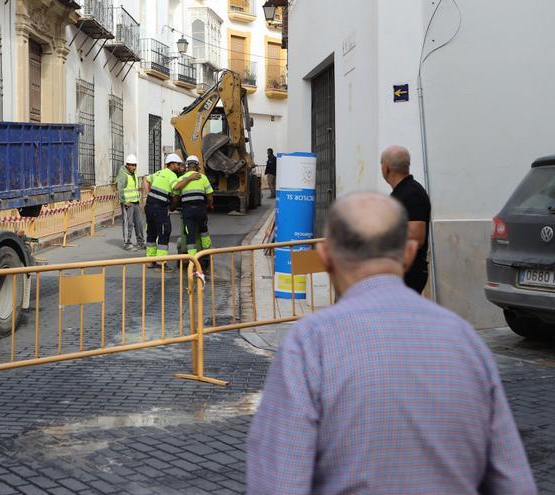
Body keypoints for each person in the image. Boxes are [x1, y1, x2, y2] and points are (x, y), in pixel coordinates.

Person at [246, 192, 536, 495]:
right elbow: (514, 482)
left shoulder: (308, 345)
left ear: (326, 255)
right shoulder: (466, 341)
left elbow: (279, 482)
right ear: (409, 253)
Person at [380, 145, 431, 294]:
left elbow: (416, 236)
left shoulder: (412, 193)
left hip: (408, 274)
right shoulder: (400, 193)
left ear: (386, 168)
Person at [143, 154, 183, 269]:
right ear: (172, 164)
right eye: (177, 164)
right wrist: (172, 207)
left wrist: (148, 193)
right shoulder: (172, 176)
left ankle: (150, 261)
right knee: (164, 232)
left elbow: (145, 179)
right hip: (160, 208)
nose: (179, 166)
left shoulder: (159, 173)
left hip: (149, 206)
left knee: (151, 233)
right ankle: (161, 262)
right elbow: (176, 189)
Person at [173, 155, 213, 256]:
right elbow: (209, 196)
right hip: (200, 210)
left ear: (187, 166)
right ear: (197, 166)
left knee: (190, 234)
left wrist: (173, 206)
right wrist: (210, 205)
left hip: (187, 211)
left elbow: (176, 195)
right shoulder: (203, 178)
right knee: (203, 231)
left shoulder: (182, 179)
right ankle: (206, 252)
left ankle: (192, 260)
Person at [115, 154, 144, 252]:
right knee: (129, 223)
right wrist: (124, 201)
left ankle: (140, 242)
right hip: (128, 203)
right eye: (132, 165)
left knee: (139, 223)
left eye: (135, 165)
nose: (134, 167)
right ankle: (127, 243)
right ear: (127, 165)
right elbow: (120, 189)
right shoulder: (123, 175)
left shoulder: (134, 175)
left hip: (135, 202)